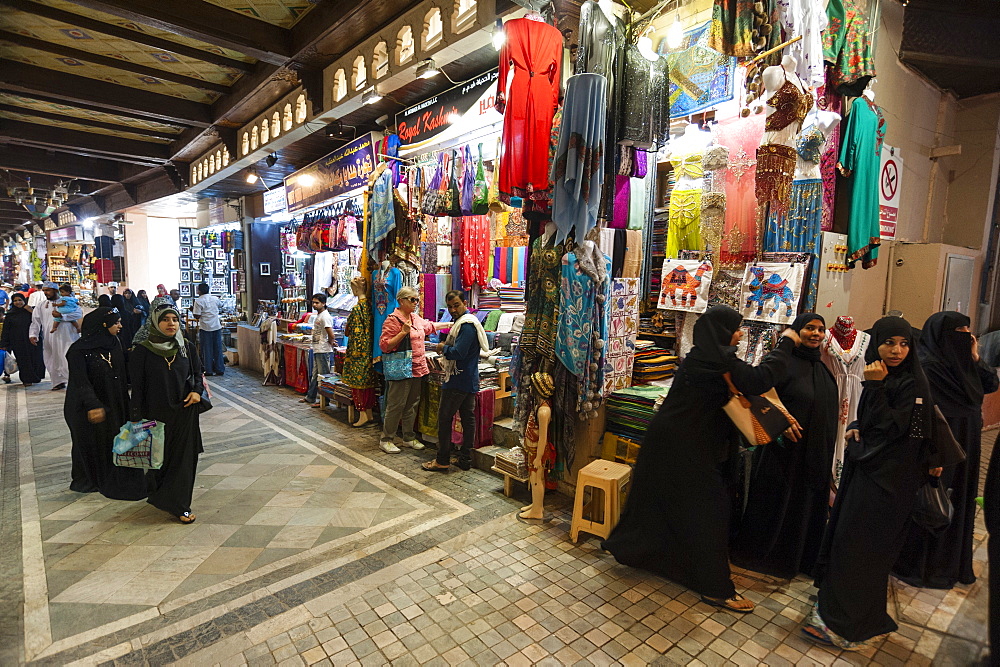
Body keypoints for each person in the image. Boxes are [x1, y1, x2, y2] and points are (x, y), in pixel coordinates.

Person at [602, 305, 799, 613]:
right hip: (685, 449)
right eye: (736, 327)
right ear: (722, 332)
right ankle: (716, 589)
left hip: (676, 445)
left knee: (666, 503)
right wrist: (787, 341)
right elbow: (760, 379)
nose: (740, 332)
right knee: (711, 513)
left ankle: (641, 554)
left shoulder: (703, 355)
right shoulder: (716, 359)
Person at [806, 316, 937, 650]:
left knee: (862, 549)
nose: (896, 351)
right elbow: (875, 423)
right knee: (849, 542)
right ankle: (839, 612)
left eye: (904, 344)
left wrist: (875, 389)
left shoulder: (911, 384)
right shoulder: (883, 374)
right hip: (868, 472)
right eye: (889, 342)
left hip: (888, 484)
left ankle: (846, 625)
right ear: (875, 342)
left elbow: (898, 433)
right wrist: (857, 427)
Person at [893, 311, 999, 589]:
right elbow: (918, 413)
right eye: (959, 331)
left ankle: (947, 564)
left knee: (957, 500)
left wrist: (975, 357)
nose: (966, 336)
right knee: (930, 500)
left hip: (966, 443)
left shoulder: (964, 364)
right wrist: (929, 452)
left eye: (968, 330)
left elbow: (991, 384)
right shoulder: (926, 367)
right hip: (937, 446)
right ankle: (920, 566)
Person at [732, 313, 839, 579]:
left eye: (820, 329)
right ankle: (766, 557)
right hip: (783, 454)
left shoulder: (822, 368)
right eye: (809, 328)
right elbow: (755, 396)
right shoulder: (782, 364)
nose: (815, 334)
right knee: (776, 503)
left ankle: (801, 557)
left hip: (813, 455)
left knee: (804, 506)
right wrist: (779, 422)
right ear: (796, 331)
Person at [129, 300, 205, 524]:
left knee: (184, 460)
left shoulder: (186, 347)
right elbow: (138, 387)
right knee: (159, 460)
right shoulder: (142, 350)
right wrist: (137, 417)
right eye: (165, 319)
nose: (171, 324)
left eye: (175, 319)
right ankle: (160, 495)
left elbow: (197, 374)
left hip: (184, 411)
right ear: (155, 322)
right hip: (155, 413)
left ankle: (180, 505)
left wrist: (197, 392)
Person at [65, 308, 146, 499]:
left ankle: (113, 476)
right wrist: (93, 405)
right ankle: (88, 479)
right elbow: (80, 382)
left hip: (114, 401)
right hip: (85, 407)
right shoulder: (77, 351)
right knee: (90, 442)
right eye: (116, 322)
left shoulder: (114, 343)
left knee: (113, 439)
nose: (120, 325)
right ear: (103, 324)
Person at [423, 290, 491, 472]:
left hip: (458, 379)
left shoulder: (467, 325)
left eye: (456, 305)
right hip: (467, 378)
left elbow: (459, 352)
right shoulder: (464, 323)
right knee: (467, 418)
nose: (453, 310)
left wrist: (442, 347)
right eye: (450, 306)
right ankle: (465, 459)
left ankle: (442, 459)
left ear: (465, 303)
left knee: (444, 419)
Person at [378, 286, 435, 454]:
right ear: (401, 301)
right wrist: (403, 332)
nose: (416, 303)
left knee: (411, 404)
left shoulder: (415, 318)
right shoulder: (393, 320)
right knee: (396, 405)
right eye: (412, 299)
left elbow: (429, 326)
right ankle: (386, 439)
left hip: (416, 367)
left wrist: (454, 323)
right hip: (401, 368)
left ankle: (408, 437)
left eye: (417, 299)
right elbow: (385, 345)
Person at [29, 281, 80, 390]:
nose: (45, 293)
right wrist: (33, 334)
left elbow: (78, 314)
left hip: (67, 336)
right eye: (44, 291)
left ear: (55, 291)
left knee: (67, 357)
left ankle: (74, 381)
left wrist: (62, 316)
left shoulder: (67, 301)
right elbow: (35, 321)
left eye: (48, 290)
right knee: (51, 358)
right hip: (49, 336)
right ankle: (57, 382)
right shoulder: (41, 305)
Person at [0, 292, 44, 385]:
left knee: (35, 359)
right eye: (15, 301)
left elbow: (40, 321)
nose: (18, 302)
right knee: (23, 360)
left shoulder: (30, 312)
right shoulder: (11, 314)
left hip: (32, 341)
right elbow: (6, 330)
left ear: (24, 300)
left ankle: (35, 377)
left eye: (20, 300)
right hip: (17, 342)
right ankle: (26, 379)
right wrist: (4, 344)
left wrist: (31, 311)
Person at [301, 293, 334, 406]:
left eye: (317, 303)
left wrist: (331, 342)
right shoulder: (319, 316)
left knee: (323, 376)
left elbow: (330, 333)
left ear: (323, 303)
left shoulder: (325, 316)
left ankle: (325, 401)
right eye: (313, 302)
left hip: (323, 349)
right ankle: (310, 397)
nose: (314, 305)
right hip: (317, 349)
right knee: (315, 375)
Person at [193, 283, 225, 376]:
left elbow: (197, 315)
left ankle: (209, 370)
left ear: (199, 291)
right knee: (218, 348)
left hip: (205, 327)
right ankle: (220, 369)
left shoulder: (198, 301)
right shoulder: (214, 298)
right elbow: (221, 305)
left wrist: (193, 311)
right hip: (216, 326)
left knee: (207, 349)